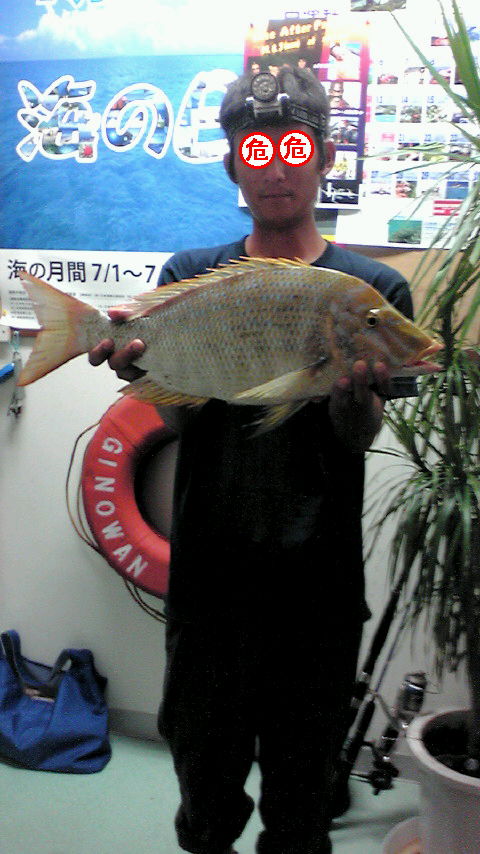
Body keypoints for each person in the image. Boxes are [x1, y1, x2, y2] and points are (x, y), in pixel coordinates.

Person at [89, 66, 416, 854]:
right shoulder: (189, 276)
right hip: (209, 586)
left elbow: (358, 438)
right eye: (256, 149)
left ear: (324, 157)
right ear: (234, 164)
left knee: (301, 809)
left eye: (294, 148)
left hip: (318, 593)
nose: (276, 167)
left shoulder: (373, 290)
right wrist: (145, 373)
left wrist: (350, 393)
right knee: (204, 799)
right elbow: (180, 418)